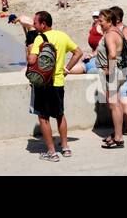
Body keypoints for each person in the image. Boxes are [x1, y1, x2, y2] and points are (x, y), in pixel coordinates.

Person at [27, 10, 84, 160]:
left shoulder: (40, 38)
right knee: (59, 115)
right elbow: (78, 53)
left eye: (35, 22)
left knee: (43, 117)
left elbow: (32, 61)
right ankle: (65, 148)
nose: (34, 25)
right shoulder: (62, 36)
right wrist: (67, 69)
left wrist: (29, 49)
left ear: (43, 24)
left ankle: (51, 152)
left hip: (43, 84)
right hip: (58, 82)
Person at [95, 8, 127, 148]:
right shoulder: (117, 31)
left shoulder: (109, 35)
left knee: (114, 105)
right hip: (120, 71)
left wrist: (110, 71)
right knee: (116, 104)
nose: (99, 23)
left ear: (109, 21)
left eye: (101, 21)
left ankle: (118, 138)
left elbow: (112, 54)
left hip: (114, 73)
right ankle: (117, 134)